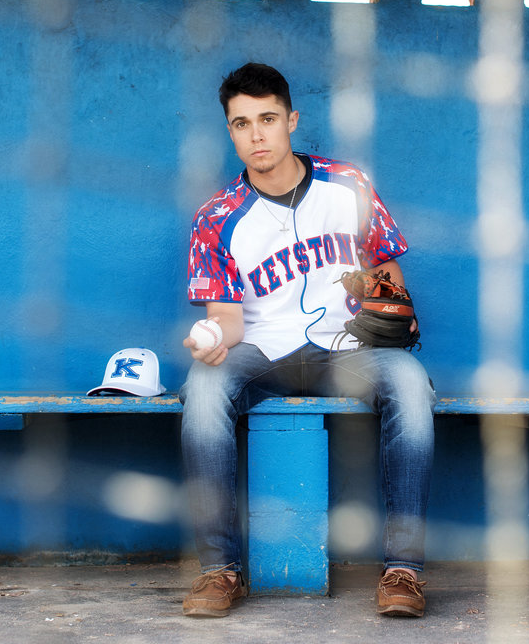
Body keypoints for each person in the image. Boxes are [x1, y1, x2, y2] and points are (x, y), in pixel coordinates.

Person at [179, 62, 436, 618]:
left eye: (268, 118)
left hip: (349, 349)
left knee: (412, 386)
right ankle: (219, 570)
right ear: (230, 130)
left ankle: (403, 572)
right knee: (202, 390)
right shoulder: (216, 217)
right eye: (241, 123)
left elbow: (388, 276)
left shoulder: (348, 186)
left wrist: (394, 309)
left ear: (291, 119)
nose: (257, 134)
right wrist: (210, 341)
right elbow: (228, 320)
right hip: (262, 352)